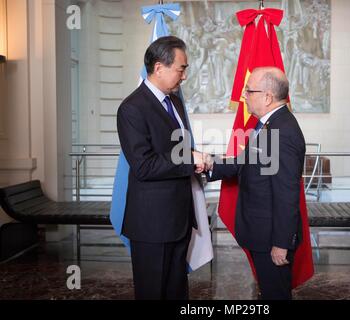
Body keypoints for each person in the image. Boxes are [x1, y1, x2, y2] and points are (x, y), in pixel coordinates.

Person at [197, 67, 306, 300]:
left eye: (249, 91)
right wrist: (209, 164)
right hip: (262, 234)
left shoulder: (282, 131)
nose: (243, 96)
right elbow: (245, 162)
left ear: (267, 97)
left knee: (276, 295)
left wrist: (281, 243)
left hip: (271, 239)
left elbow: (287, 195)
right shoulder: (269, 125)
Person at [117, 36, 204, 300]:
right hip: (152, 225)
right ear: (158, 68)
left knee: (177, 292)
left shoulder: (175, 102)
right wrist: (191, 160)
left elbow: (176, 153)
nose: (184, 76)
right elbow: (144, 166)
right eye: (181, 68)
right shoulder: (132, 109)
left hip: (179, 219)